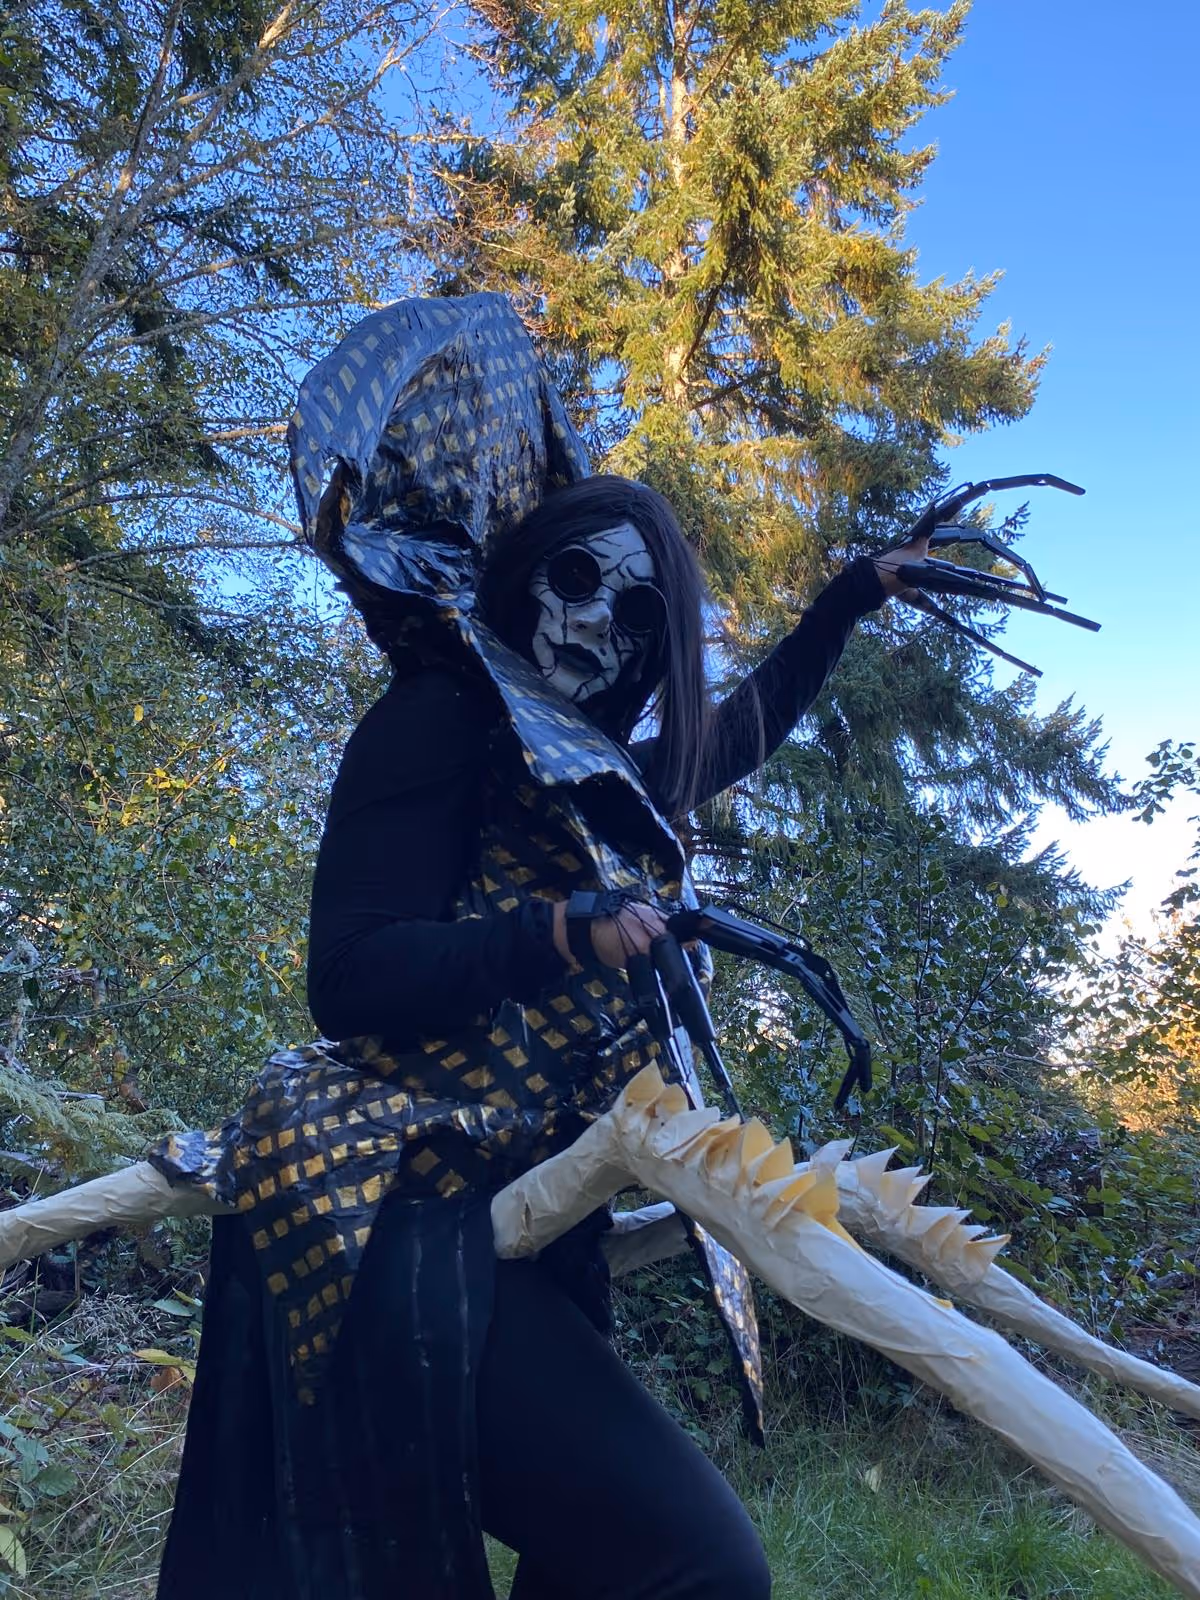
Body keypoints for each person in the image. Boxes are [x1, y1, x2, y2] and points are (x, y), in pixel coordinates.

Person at [152, 303, 923, 1600]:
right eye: (578, 581)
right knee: (697, 1565)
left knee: (590, 1563)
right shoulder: (442, 720)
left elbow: (723, 742)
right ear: (531, 571)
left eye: (636, 615)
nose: (595, 629)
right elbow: (347, 980)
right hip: (385, 1198)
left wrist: (849, 598)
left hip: (529, 1204)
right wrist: (555, 935)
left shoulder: (593, 774)